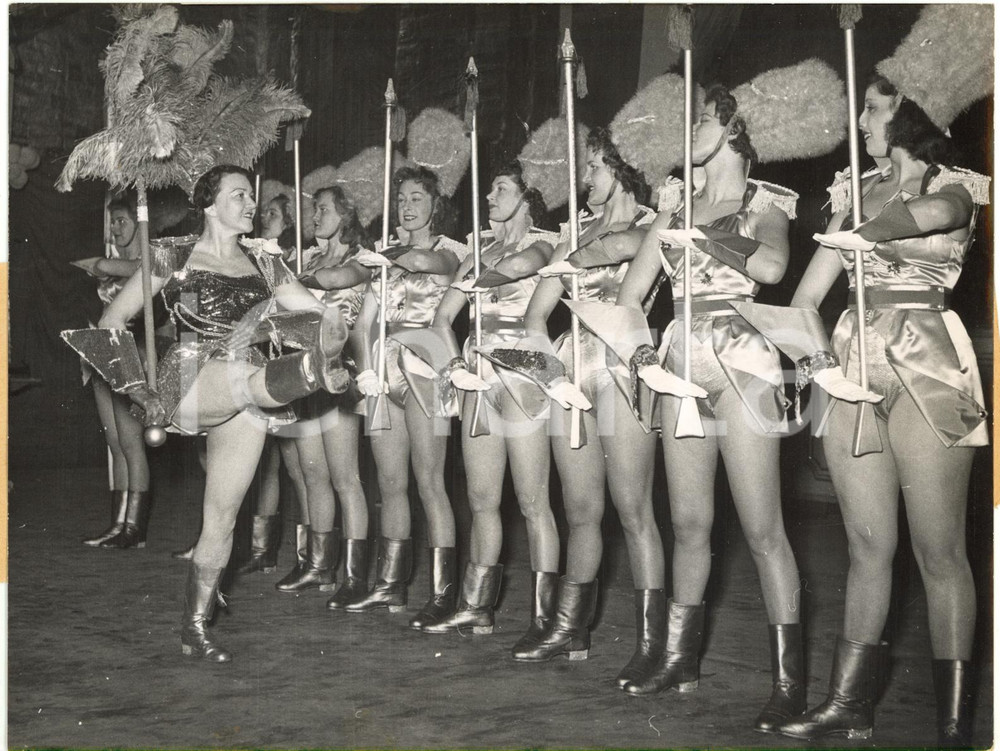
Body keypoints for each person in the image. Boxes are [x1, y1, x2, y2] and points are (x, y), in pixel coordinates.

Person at [776, 73, 989, 745]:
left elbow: (936, 215)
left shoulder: (956, 184)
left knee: (939, 550)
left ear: (911, 108)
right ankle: (848, 702)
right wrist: (818, 369)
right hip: (852, 364)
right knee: (867, 545)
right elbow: (803, 302)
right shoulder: (852, 192)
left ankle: (952, 726)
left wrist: (869, 231)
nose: (862, 120)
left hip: (931, 363)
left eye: (873, 107)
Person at [77, 165, 350, 663]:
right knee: (247, 380)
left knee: (223, 517)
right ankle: (310, 372)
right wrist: (137, 390)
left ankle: (195, 628)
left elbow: (315, 314)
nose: (251, 204)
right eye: (239, 195)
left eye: (252, 196)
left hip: (250, 390)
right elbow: (111, 320)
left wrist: (299, 323)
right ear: (209, 204)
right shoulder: (173, 254)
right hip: (189, 376)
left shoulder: (265, 262)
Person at [613, 85, 804, 729]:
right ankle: (679, 659)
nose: (689, 129)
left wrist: (706, 237)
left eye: (701, 119)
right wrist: (642, 355)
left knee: (762, 528)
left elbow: (772, 267)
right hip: (681, 365)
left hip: (743, 360)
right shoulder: (676, 206)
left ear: (734, 127)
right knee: (689, 522)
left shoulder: (763, 201)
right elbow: (632, 294)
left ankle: (788, 683)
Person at [517, 128, 703, 673]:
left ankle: (651, 645)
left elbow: (625, 248)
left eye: (594, 166)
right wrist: (551, 373)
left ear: (621, 169)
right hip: (572, 369)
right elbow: (535, 313)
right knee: (580, 510)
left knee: (633, 508)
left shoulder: (652, 222)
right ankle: (569, 628)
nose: (585, 178)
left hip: (623, 364)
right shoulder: (576, 231)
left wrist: (571, 255)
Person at [425, 159, 589, 643]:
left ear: (527, 196)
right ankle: (477, 606)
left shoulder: (543, 243)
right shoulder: (480, 249)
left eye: (500, 188)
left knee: (533, 500)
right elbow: (441, 318)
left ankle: (543, 619)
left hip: (523, 374)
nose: (489, 197)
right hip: (479, 376)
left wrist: (474, 272)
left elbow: (519, 268)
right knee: (480, 499)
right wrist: (454, 366)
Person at [346, 166, 468, 618]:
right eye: (400, 199)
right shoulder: (384, 258)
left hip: (427, 362)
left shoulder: (450, 252)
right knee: (390, 483)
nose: (407, 206)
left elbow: (423, 264)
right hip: (384, 365)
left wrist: (384, 256)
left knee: (430, 482)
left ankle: (442, 594)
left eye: (417, 198)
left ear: (436, 205)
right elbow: (362, 324)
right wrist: (365, 370)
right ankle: (390, 584)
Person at [273, 185, 373, 597]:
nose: (315, 216)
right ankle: (318, 565)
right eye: (314, 210)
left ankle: (355, 577)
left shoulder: (362, 259)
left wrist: (283, 276)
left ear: (346, 215)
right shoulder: (309, 257)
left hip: (339, 372)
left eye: (324, 209)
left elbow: (336, 279)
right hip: (305, 371)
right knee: (313, 473)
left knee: (345, 477)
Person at [78, 195, 161, 549]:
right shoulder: (115, 261)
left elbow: (141, 268)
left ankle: (134, 529)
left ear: (140, 224)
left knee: (131, 442)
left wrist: (102, 264)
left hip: (133, 353)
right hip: (104, 353)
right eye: (112, 221)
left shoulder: (150, 261)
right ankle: (118, 524)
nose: (115, 228)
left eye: (122, 220)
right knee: (115, 443)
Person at [236, 192, 311, 577]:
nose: (265, 216)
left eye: (274, 213)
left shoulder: (292, 258)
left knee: (299, 467)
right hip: (262, 361)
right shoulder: (252, 256)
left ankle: (308, 555)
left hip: (292, 363)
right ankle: (261, 548)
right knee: (265, 462)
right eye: (263, 211)